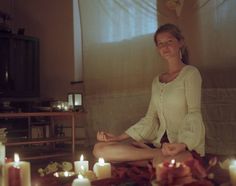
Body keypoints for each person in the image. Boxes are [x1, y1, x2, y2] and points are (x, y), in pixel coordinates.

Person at [93, 23, 205, 166]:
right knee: (99, 148)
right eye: (160, 44)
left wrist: (183, 144)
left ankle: (143, 159)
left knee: (167, 162)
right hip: (159, 147)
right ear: (158, 48)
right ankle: (153, 156)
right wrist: (118, 138)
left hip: (183, 147)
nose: (165, 47)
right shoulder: (157, 81)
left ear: (180, 42)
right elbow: (150, 118)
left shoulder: (190, 73)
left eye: (169, 41)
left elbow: (194, 113)